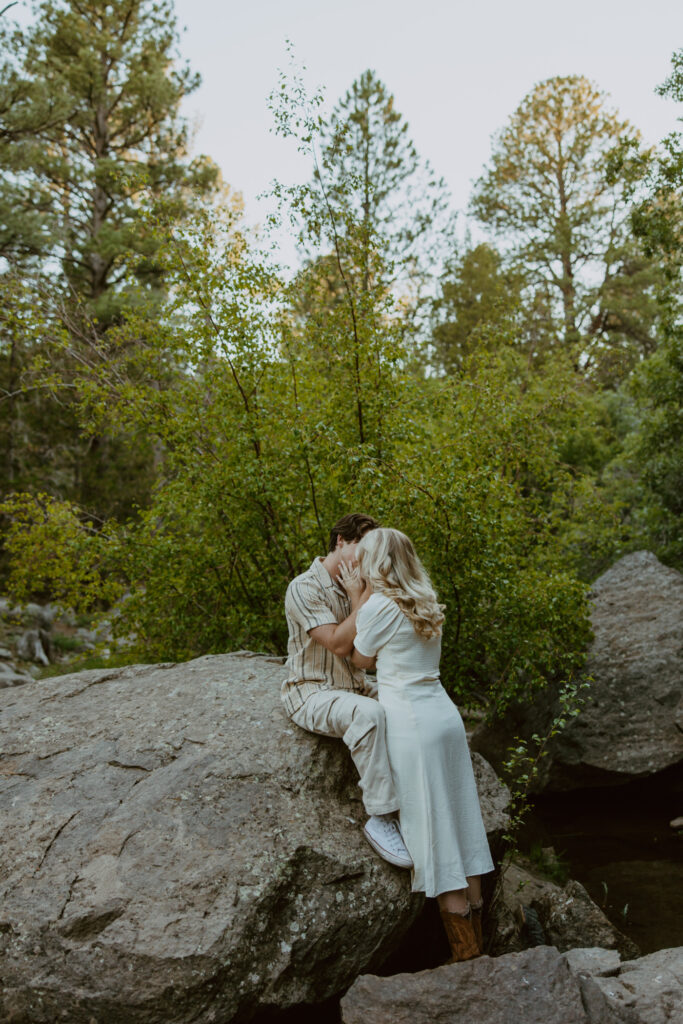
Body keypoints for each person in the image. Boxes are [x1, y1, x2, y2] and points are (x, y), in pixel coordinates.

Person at [346, 526, 494, 962]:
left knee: (435, 836)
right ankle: (478, 950)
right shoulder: (424, 599)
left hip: (413, 724)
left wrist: (357, 598)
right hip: (444, 718)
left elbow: (359, 658)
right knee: (463, 827)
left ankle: (467, 962)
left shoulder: (378, 606)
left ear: (379, 563)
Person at [281, 512, 413, 869]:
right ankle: (382, 817)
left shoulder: (360, 582)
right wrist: (364, 598)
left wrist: (362, 594)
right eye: (363, 548)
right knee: (368, 715)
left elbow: (364, 661)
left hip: (355, 685)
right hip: (312, 691)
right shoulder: (304, 586)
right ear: (341, 541)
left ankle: (418, 804)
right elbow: (339, 645)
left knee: (411, 710)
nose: (369, 559)